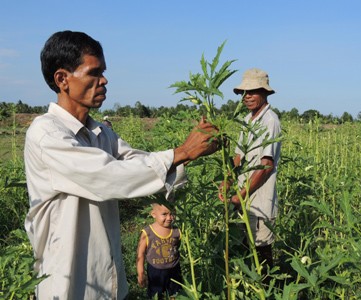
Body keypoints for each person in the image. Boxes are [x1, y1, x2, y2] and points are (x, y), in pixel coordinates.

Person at [24, 30, 219, 299]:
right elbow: (108, 176)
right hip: (68, 284)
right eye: (94, 72)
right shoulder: (46, 134)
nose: (104, 80)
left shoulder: (102, 134)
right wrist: (182, 152)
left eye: (103, 72)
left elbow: (138, 164)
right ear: (62, 79)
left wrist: (190, 153)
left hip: (107, 279)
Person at [219, 68, 281, 279]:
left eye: (252, 91)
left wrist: (241, 194)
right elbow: (238, 157)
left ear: (264, 93)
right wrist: (227, 181)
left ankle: (268, 290)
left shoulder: (270, 121)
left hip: (259, 199)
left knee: (262, 252)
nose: (247, 97)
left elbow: (266, 166)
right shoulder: (247, 120)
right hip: (243, 196)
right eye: (244, 93)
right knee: (245, 246)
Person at [136, 203, 182, 299]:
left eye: (172, 213)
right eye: (164, 214)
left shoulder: (176, 231)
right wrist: (141, 273)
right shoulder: (148, 232)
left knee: (176, 293)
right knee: (156, 295)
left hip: (174, 269)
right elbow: (140, 253)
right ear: (153, 214)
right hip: (156, 271)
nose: (169, 217)